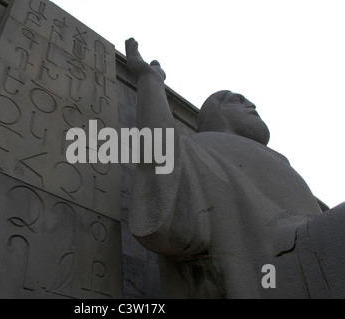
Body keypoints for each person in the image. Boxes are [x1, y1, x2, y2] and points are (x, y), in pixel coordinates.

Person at [125, 37, 345, 298]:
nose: (251, 105)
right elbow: (160, 162)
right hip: (272, 269)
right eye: (236, 100)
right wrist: (151, 83)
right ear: (215, 114)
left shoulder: (280, 162)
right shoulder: (200, 148)